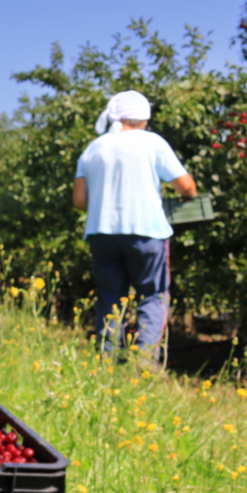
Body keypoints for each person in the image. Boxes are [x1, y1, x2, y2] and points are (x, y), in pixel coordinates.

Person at [72, 90, 197, 365]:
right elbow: (186, 186)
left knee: (110, 296)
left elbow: (80, 200)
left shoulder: (93, 148)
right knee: (152, 295)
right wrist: (187, 198)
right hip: (147, 230)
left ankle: (108, 360)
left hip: (101, 232)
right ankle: (144, 362)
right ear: (143, 119)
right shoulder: (151, 142)